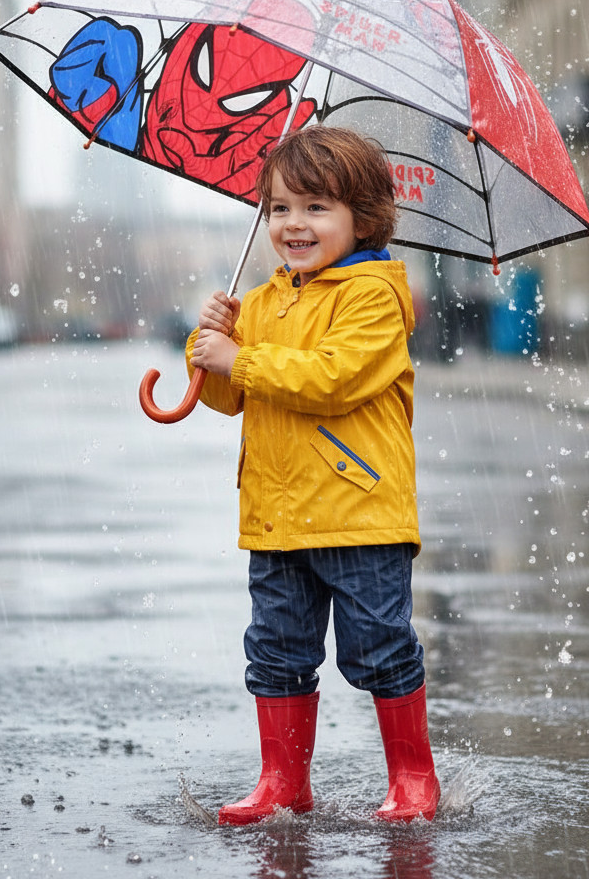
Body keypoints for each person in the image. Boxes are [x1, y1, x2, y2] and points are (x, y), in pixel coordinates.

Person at [186, 125, 440, 825]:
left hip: (359, 513)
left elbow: (331, 379)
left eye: (316, 208)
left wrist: (238, 357)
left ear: (365, 216)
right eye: (278, 208)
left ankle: (414, 778)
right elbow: (227, 396)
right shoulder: (262, 302)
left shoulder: (375, 297)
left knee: (381, 650)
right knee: (276, 652)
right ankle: (282, 781)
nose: (293, 224)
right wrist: (207, 344)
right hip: (275, 517)